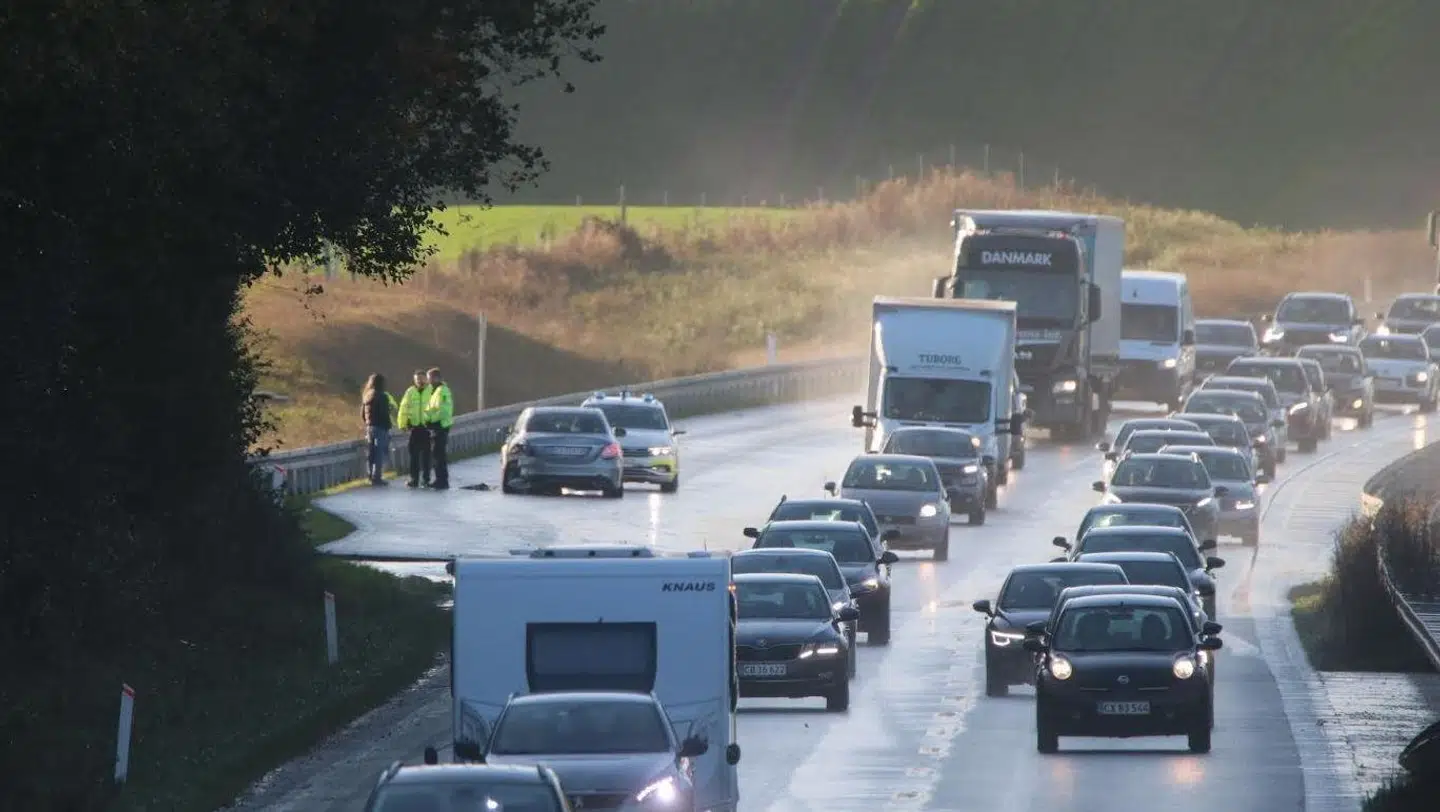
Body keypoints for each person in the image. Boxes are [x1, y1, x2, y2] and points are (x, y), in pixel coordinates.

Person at [360, 373, 399, 485]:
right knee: (380, 452)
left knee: (371, 452)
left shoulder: (367, 396)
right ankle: (377, 476)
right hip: (381, 428)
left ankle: (370, 475)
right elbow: (384, 414)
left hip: (370, 427)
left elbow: (362, 413)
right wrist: (388, 425)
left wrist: (368, 422)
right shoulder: (382, 396)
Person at [398, 370, 433, 488]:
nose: (419, 381)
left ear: (426, 379)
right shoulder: (410, 392)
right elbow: (404, 408)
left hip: (427, 427)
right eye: (417, 379)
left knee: (426, 456)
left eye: (422, 379)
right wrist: (402, 424)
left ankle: (426, 479)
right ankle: (414, 479)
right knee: (414, 455)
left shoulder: (432, 391)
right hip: (415, 427)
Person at [425, 367, 455, 490]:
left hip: (440, 426)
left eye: (430, 378)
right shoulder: (436, 391)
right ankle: (440, 479)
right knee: (437, 454)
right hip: (438, 425)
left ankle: (442, 481)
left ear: (436, 378)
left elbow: (442, 410)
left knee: (439, 455)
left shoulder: (442, 391)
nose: (428, 381)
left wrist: (430, 421)